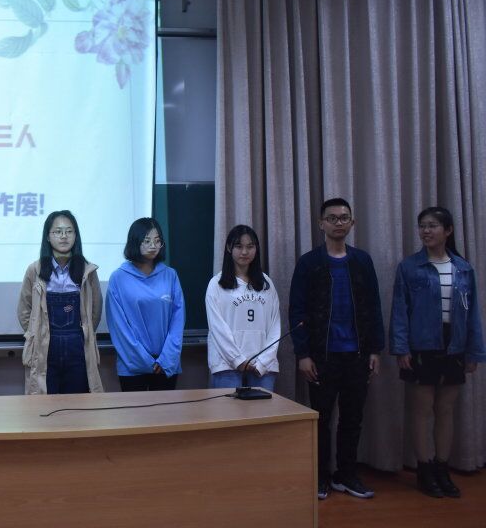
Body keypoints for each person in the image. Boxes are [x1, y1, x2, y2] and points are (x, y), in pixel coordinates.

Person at [289, 198, 385, 500]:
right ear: (321, 224)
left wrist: (375, 350)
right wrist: (303, 354)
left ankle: (347, 475)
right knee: (321, 418)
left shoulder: (362, 261)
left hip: (357, 355)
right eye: (332, 218)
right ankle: (320, 476)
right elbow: (297, 311)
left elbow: (374, 306)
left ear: (352, 223)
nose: (338, 223)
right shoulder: (309, 263)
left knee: (353, 418)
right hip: (321, 356)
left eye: (344, 218)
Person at [390, 207, 485, 498]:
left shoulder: (463, 268)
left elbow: (473, 314)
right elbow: (400, 311)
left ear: (448, 230)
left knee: (446, 410)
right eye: (422, 226)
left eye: (432, 225)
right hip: (421, 346)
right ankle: (424, 469)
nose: (426, 231)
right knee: (422, 410)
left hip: (454, 345)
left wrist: (474, 352)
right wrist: (401, 348)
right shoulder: (409, 267)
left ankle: (442, 468)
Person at [18, 210, 103, 395]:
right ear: (48, 237)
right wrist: (37, 333)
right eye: (57, 231)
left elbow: (95, 311)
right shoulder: (35, 270)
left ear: (76, 236)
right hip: (45, 349)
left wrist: (84, 332)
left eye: (69, 231)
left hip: (77, 347)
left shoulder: (88, 271)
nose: (64, 236)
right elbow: (25, 310)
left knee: (78, 404)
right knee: (45, 405)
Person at [105, 217, 185, 391]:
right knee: (135, 410)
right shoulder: (118, 278)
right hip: (132, 366)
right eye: (147, 241)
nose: (153, 246)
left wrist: (166, 359)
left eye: (157, 241)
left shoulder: (170, 275)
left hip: (166, 364)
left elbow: (177, 321)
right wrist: (144, 361)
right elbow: (119, 327)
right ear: (135, 242)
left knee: (166, 409)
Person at [206, 225, 280, 391]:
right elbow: (217, 328)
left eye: (250, 246)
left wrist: (262, 362)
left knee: (263, 408)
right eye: (239, 246)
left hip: (262, 368)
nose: (245, 252)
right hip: (226, 365)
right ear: (229, 248)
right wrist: (237, 360)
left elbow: (275, 327)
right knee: (229, 409)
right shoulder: (216, 284)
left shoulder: (267, 284)